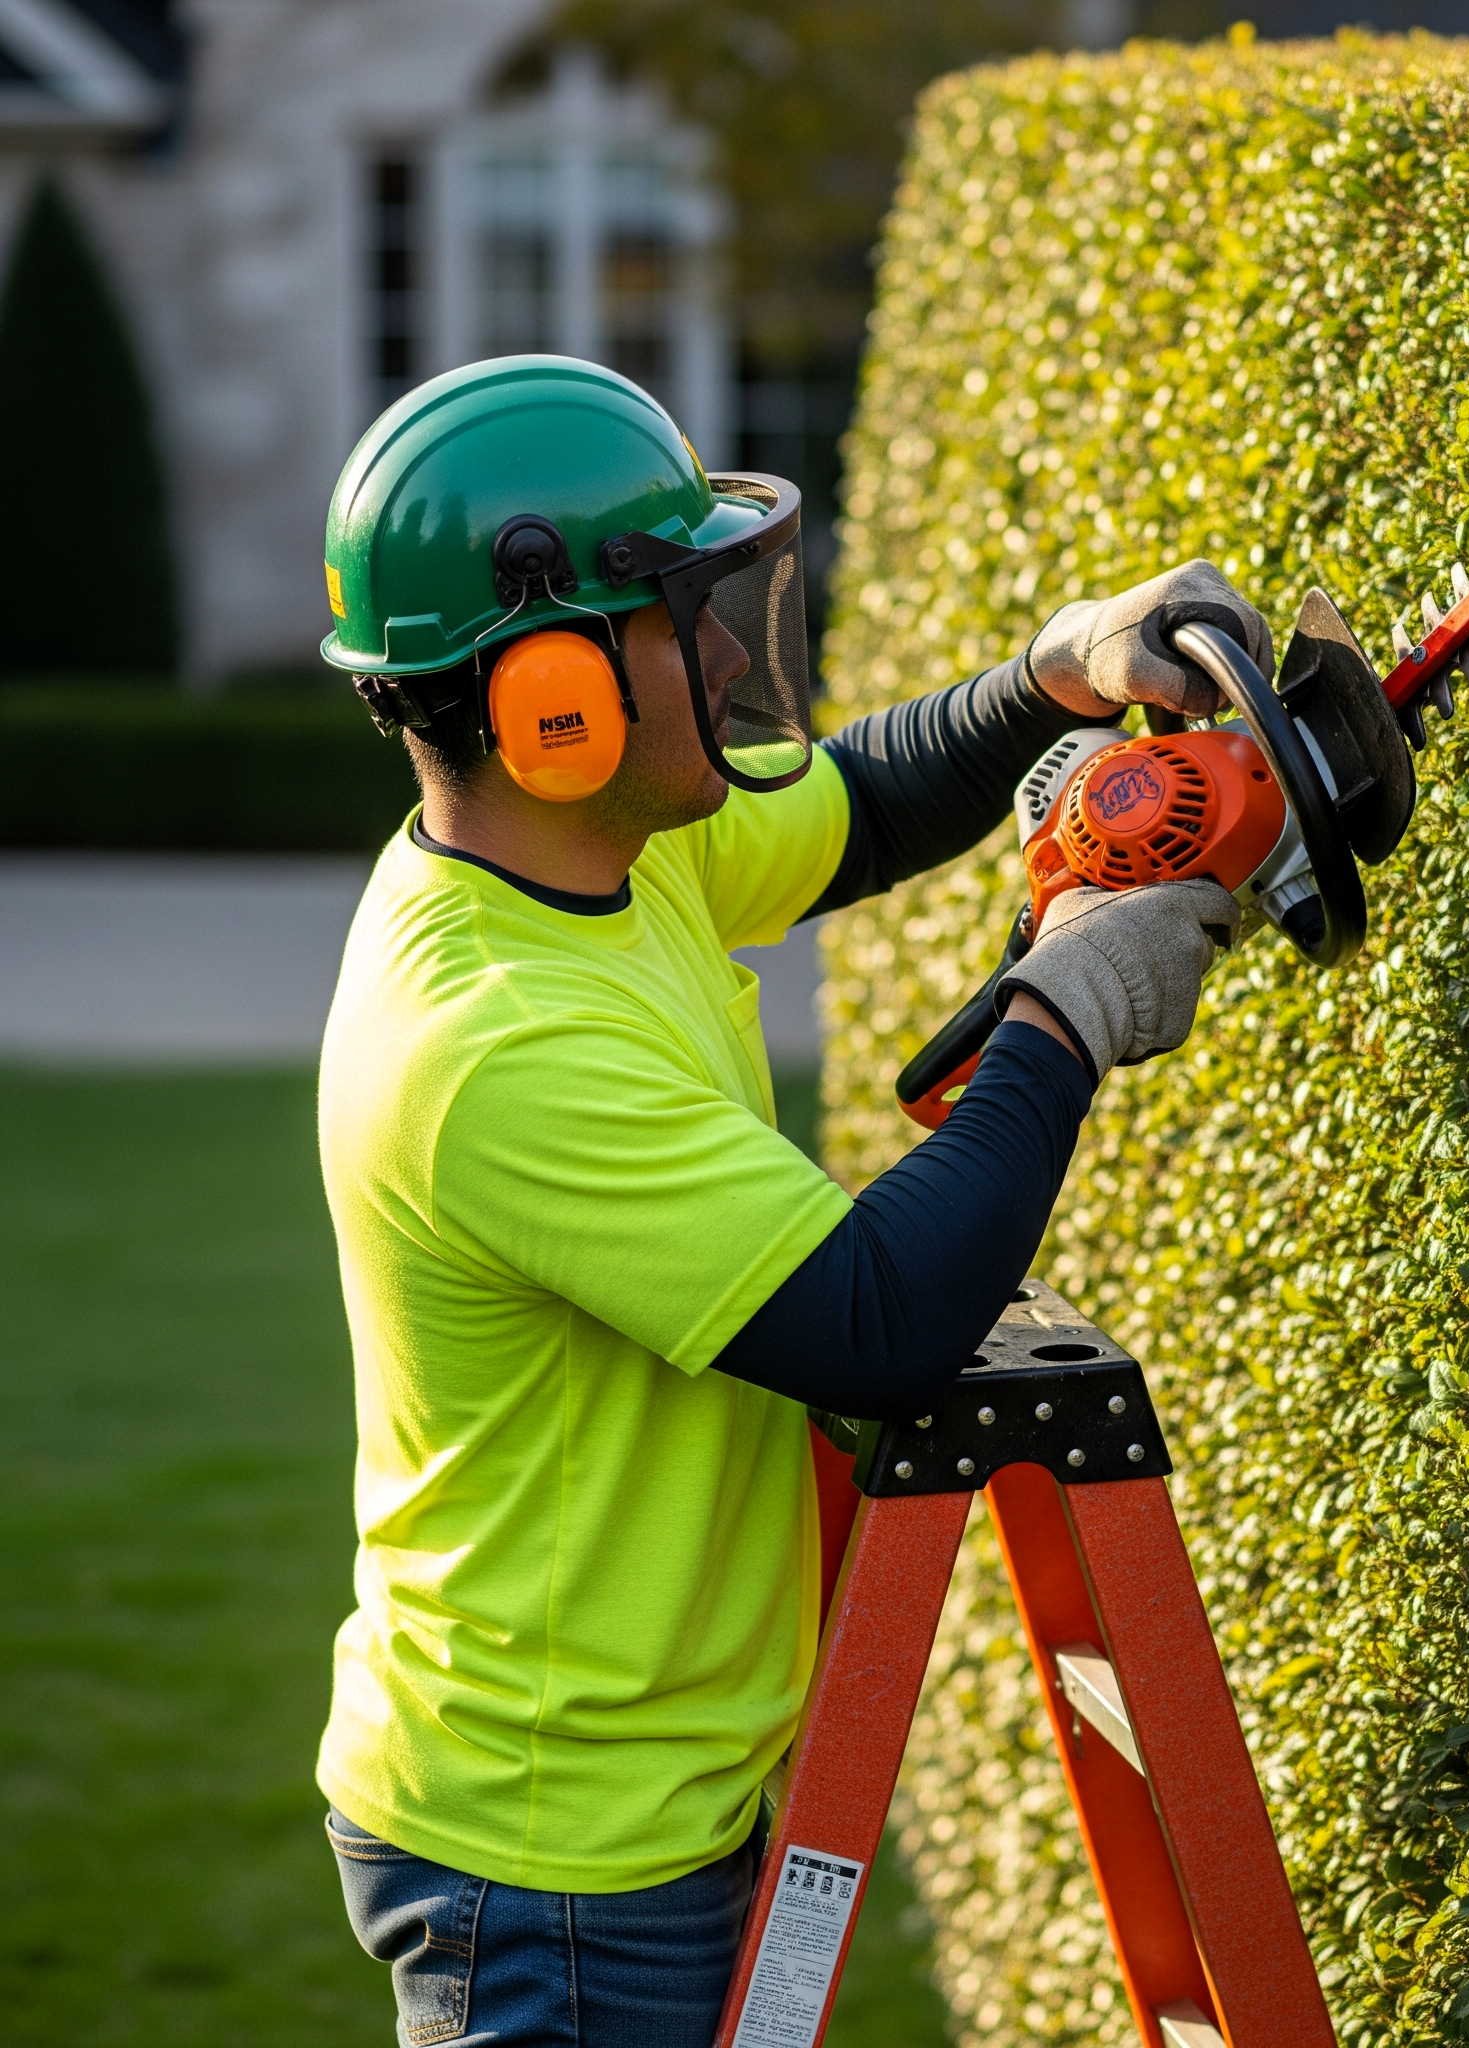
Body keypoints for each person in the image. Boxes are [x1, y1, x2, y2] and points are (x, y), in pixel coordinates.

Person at [312, 355, 1270, 2047]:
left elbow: (863, 805)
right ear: (555, 700)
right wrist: (1065, 1003)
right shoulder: (494, 1047)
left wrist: (1057, 675)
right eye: (692, 612)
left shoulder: (598, 848)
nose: (740, 650)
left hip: (627, 1785)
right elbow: (883, 1320)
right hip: (557, 1860)